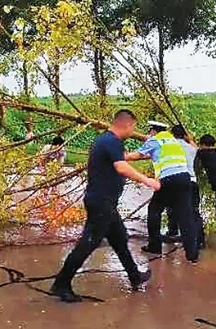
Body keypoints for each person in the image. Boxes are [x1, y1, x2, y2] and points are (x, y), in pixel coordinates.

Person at [50, 110, 159, 303]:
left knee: (120, 239)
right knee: (87, 244)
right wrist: (147, 180)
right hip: (101, 203)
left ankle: (135, 276)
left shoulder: (106, 141)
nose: (133, 130)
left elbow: (122, 160)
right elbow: (121, 167)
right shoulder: (111, 141)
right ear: (125, 125)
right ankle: (61, 284)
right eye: (133, 126)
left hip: (104, 202)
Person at [125, 121, 199, 263]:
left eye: (150, 131)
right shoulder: (174, 141)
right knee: (185, 216)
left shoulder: (155, 140)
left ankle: (154, 245)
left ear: (153, 131)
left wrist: (121, 157)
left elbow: (138, 155)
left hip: (168, 179)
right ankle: (192, 254)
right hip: (185, 178)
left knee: (154, 210)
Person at [164, 125, 204, 247]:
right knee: (193, 211)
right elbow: (199, 152)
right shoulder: (192, 149)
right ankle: (199, 239)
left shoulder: (168, 146)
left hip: (175, 180)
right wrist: (190, 140)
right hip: (192, 181)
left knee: (172, 208)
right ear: (184, 136)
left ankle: (172, 232)